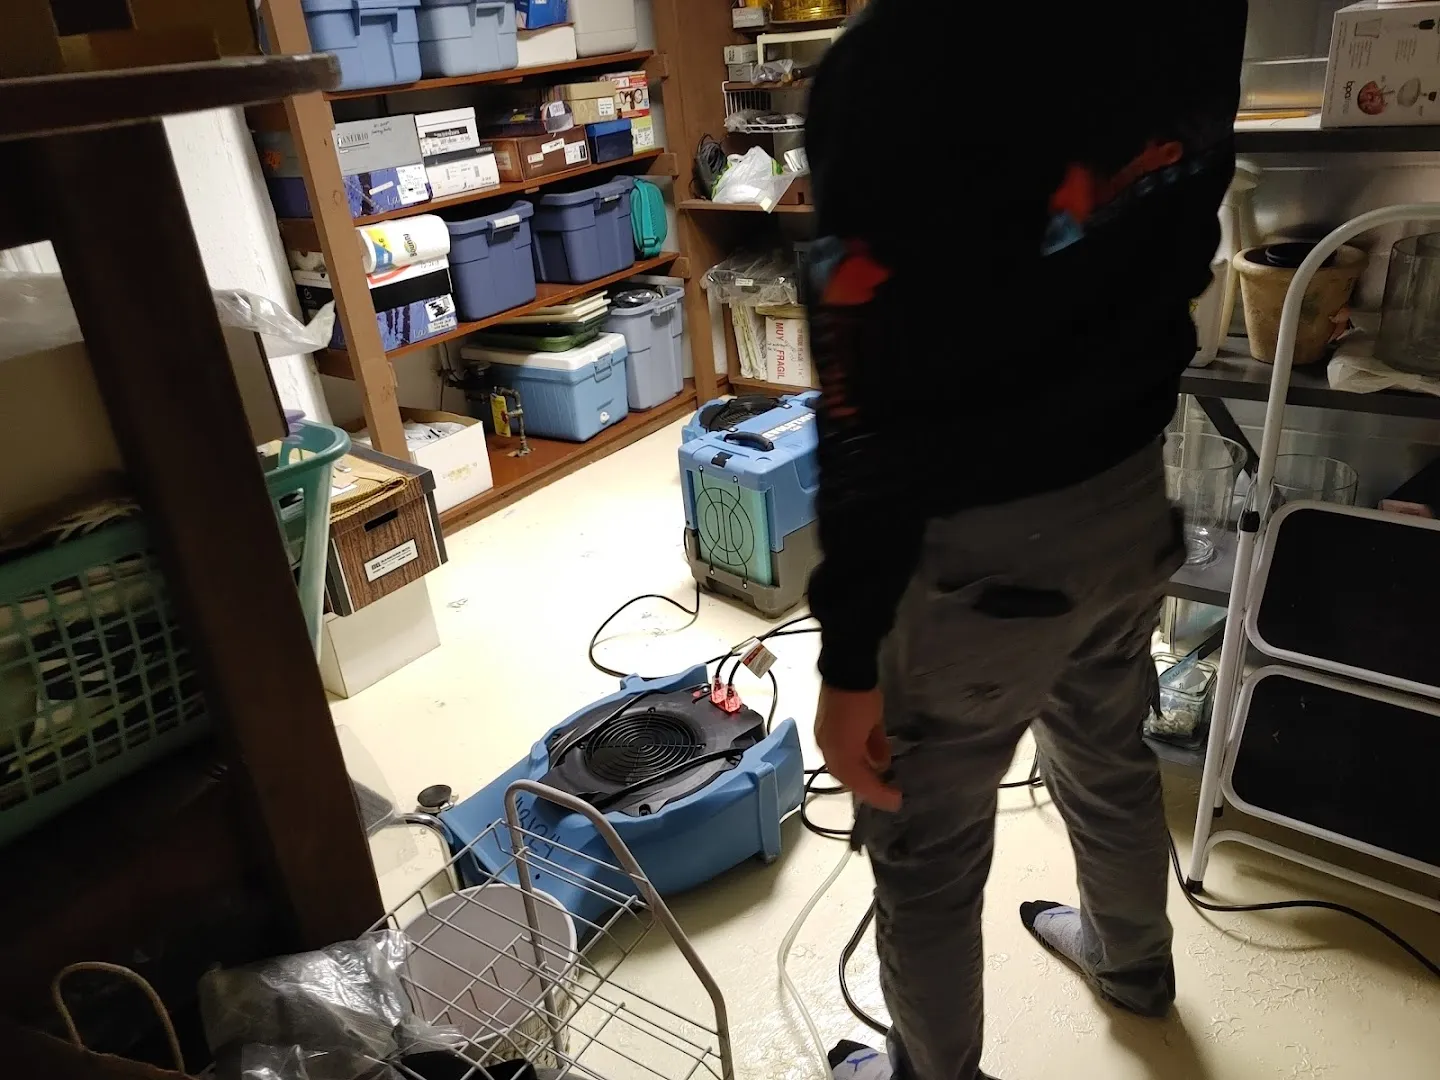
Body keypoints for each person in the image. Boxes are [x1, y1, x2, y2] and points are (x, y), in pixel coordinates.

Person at [804, 4, 1249, 1078]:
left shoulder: (889, 63)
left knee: (928, 847)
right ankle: (1134, 966)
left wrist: (851, 661)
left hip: (973, 544)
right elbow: (1188, 232)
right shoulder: (1191, 19)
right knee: (1107, 748)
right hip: (1129, 491)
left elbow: (864, 396)